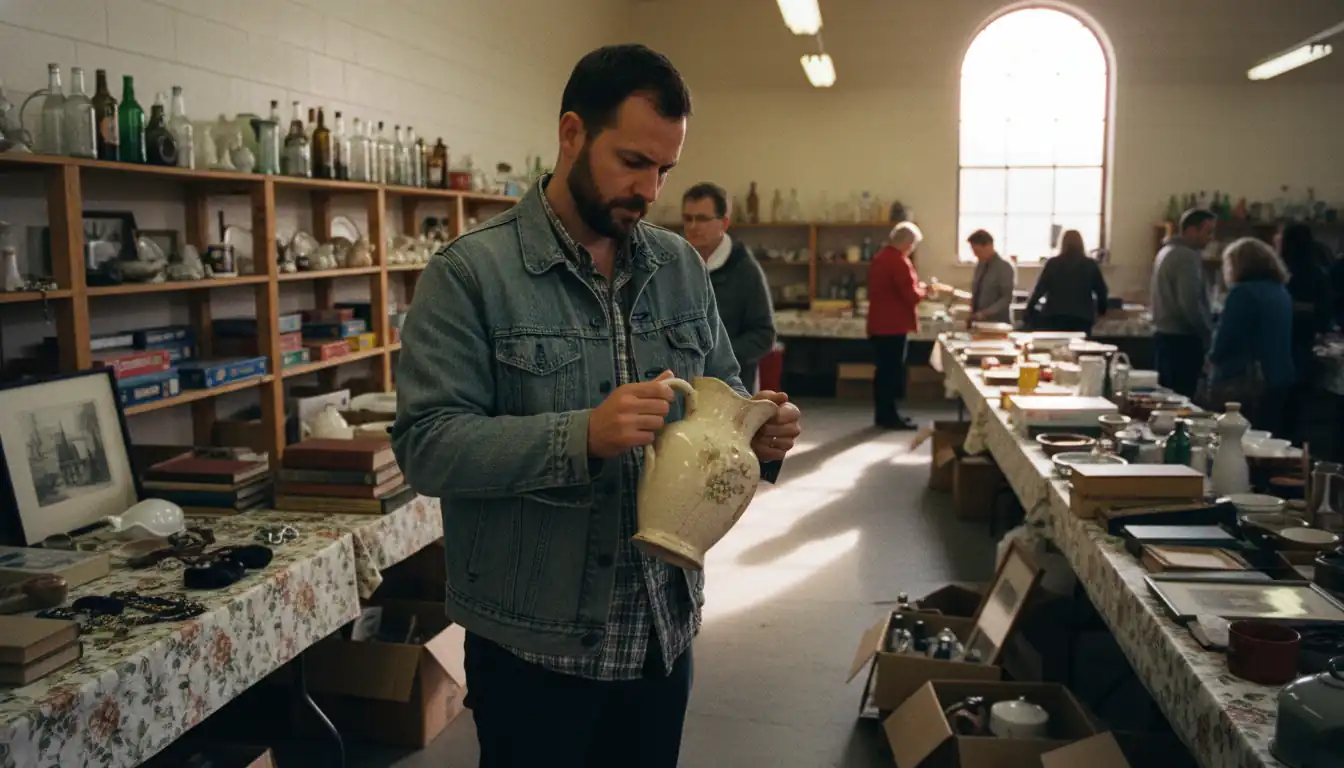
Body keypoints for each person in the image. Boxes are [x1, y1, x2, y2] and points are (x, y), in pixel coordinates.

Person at [390, 44, 803, 768]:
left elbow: (723, 393)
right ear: (572, 134)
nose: (650, 189)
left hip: (659, 636)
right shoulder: (470, 275)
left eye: (665, 170)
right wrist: (581, 435)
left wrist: (759, 431)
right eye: (633, 162)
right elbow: (427, 446)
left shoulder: (678, 268)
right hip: (534, 649)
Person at [681, 182, 776, 392]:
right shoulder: (677, 263)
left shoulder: (745, 270)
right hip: (685, 384)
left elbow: (764, 335)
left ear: (723, 223)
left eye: (703, 219)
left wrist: (716, 358)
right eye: (688, 218)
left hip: (731, 387)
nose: (693, 226)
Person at [1207, 237, 1294, 432]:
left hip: (1244, 379)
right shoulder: (1280, 291)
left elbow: (1226, 338)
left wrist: (1212, 357)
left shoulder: (1243, 293)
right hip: (1278, 376)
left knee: (1235, 441)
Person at [867, 221, 927, 429]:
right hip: (893, 325)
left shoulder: (880, 258)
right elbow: (910, 295)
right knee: (891, 372)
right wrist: (926, 291)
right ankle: (889, 416)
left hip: (879, 323)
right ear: (908, 243)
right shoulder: (899, 262)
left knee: (883, 371)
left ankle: (883, 414)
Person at [1151, 208, 1216, 397]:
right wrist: (1207, 332)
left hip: (1164, 338)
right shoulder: (1186, 256)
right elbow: (1190, 303)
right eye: (1208, 231)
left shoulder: (1165, 251)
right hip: (1182, 341)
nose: (1211, 238)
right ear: (1190, 231)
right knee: (1182, 403)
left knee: (1167, 399)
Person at [1276, 223, 1332, 442]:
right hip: (1304, 347)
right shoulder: (1319, 272)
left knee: (1281, 414)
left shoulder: (1281, 273)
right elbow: (1324, 317)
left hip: (1284, 347)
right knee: (1296, 414)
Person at [1023, 230, 1108, 334]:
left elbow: (1039, 290)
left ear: (1062, 244)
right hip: (1082, 319)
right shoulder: (1090, 265)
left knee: (1055, 347)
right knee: (1080, 347)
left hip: (1054, 317)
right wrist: (1101, 311)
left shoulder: (1053, 264)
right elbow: (1102, 291)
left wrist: (1029, 309)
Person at [967, 229, 1015, 324]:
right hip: (977, 320)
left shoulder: (1004, 267)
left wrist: (985, 313)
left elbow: (1006, 298)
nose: (975, 254)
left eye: (978, 251)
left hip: (997, 322)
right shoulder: (980, 265)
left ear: (989, 246)